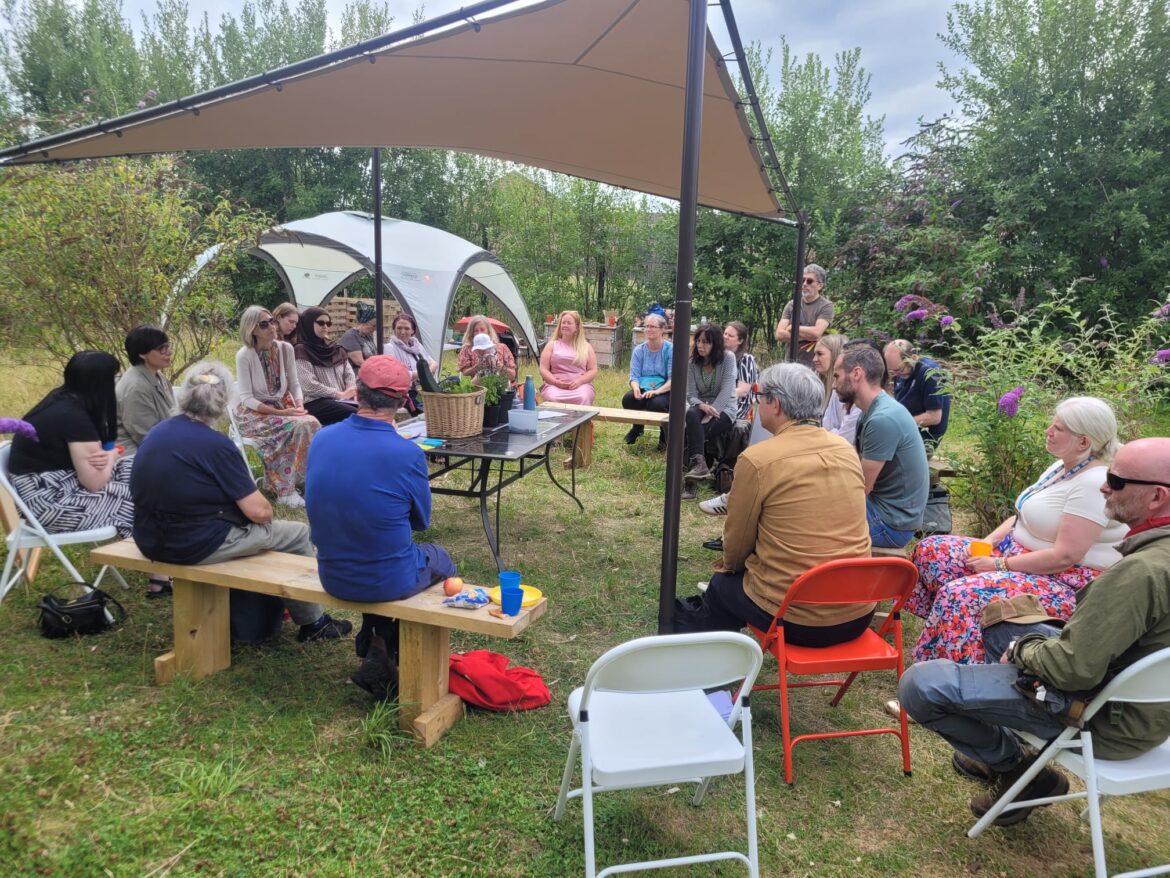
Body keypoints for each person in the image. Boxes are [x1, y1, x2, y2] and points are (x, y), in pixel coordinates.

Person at [899, 437, 1170, 826]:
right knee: (1001, 616)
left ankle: (1016, 767)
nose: (1103, 486)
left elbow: (1073, 670)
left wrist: (1024, 650)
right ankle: (1001, 743)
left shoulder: (1139, 574)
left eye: (1115, 480)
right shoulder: (1151, 561)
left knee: (921, 685)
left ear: (1157, 497)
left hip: (1103, 718)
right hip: (1146, 709)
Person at [130, 360, 351, 640]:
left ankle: (266, 610)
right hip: (192, 544)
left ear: (184, 394)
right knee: (296, 534)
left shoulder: (158, 432)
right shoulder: (215, 445)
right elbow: (260, 512)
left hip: (149, 537)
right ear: (224, 402)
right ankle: (314, 624)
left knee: (259, 535)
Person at [907, 397, 1126, 664]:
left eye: (1058, 428)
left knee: (960, 594)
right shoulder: (1062, 466)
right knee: (932, 552)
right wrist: (989, 541)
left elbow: (1064, 557)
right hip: (1017, 558)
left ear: (1083, 442)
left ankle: (962, 674)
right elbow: (1022, 515)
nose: (1048, 431)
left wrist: (998, 565)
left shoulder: (1093, 483)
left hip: (1063, 582)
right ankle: (956, 640)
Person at [674, 363, 874, 640]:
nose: (758, 402)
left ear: (776, 404)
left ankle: (717, 657)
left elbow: (736, 546)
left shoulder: (758, 460)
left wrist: (736, 567)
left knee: (722, 584)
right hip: (858, 611)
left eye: (759, 395)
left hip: (798, 619)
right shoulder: (846, 450)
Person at [305, 356, 458, 699]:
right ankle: (403, 660)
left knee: (375, 550)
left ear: (357, 393)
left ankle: (378, 645)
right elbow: (421, 522)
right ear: (403, 401)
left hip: (332, 573)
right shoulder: (406, 453)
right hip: (386, 578)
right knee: (441, 559)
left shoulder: (322, 438)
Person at [8, 351, 134, 539]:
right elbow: (94, 482)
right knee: (142, 501)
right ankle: (155, 555)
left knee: (145, 469)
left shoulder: (63, 398)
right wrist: (111, 455)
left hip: (59, 482)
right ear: (100, 383)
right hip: (49, 501)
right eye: (115, 378)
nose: (117, 384)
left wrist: (109, 455)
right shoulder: (72, 416)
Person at [834, 343, 929, 548]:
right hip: (885, 510)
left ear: (856, 374)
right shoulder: (872, 410)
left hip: (891, 525)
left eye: (837, 376)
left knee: (809, 518)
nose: (833, 385)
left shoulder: (882, 419)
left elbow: (860, 488)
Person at [235, 305, 321, 508]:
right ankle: (285, 490)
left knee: (312, 423)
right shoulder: (244, 355)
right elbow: (247, 398)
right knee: (299, 425)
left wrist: (299, 405)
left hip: (284, 406)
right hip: (255, 413)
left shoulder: (285, 349)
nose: (272, 326)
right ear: (252, 330)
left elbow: (294, 384)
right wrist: (280, 412)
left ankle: (303, 479)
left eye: (272, 321)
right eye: (264, 324)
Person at [681, 325, 739, 499]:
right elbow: (690, 394)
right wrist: (702, 406)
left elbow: (727, 390)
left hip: (725, 408)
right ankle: (699, 465)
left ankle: (691, 484)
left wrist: (712, 412)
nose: (701, 345)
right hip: (701, 405)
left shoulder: (728, 358)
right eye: (698, 341)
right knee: (691, 415)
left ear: (716, 344)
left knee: (694, 433)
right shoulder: (692, 362)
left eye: (706, 342)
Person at [116, 324, 175, 454]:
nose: (169, 352)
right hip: (135, 455)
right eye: (162, 349)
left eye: (168, 346)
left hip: (160, 447)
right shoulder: (135, 387)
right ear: (142, 354)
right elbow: (147, 436)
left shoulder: (159, 376)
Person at [293, 306, 357, 427]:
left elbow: (349, 374)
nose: (325, 326)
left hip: (342, 400)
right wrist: (339, 394)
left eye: (328, 323)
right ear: (308, 324)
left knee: (371, 410)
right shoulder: (301, 350)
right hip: (316, 402)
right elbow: (308, 385)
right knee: (355, 414)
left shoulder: (335, 349)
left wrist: (350, 390)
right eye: (321, 323)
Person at [884, 339, 951, 451]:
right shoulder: (901, 371)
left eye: (899, 370)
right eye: (892, 371)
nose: (895, 375)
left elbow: (934, 417)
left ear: (914, 358)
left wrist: (898, 423)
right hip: (905, 429)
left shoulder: (930, 373)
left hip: (924, 437)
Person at [621, 312, 671, 449]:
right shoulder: (639, 350)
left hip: (665, 389)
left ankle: (664, 435)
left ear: (662, 329)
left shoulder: (670, 350)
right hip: (644, 387)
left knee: (656, 403)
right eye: (647, 326)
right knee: (628, 399)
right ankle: (637, 428)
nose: (649, 329)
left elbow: (673, 379)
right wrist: (636, 388)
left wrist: (657, 392)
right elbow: (634, 376)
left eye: (653, 326)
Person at [774, 264, 834, 365]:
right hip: (790, 364)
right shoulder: (792, 304)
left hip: (813, 366)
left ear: (820, 285)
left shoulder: (826, 306)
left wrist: (792, 328)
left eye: (809, 281)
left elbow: (816, 333)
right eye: (802, 280)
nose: (805, 284)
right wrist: (808, 336)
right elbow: (779, 334)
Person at [539, 310, 597, 405]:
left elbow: (593, 370)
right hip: (554, 385)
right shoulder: (551, 345)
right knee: (552, 397)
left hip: (580, 386)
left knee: (583, 397)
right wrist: (555, 382)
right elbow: (543, 369)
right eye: (563, 323)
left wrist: (580, 381)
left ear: (576, 327)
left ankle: (582, 415)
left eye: (569, 323)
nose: (565, 325)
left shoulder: (586, 347)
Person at [383, 312, 438, 410]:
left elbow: (433, 363)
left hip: (423, 389)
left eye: (407, 328)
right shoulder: (389, 348)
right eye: (399, 328)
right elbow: (396, 374)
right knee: (430, 410)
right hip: (406, 393)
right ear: (394, 329)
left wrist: (427, 371)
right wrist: (423, 373)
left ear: (413, 330)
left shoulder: (416, 346)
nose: (402, 332)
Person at [812, 334, 859, 444]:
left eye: (820, 354)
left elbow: (845, 436)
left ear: (835, 356)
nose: (814, 359)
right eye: (814, 354)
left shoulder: (844, 390)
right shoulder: (816, 383)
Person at [458, 315, 517, 381]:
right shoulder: (467, 349)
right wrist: (478, 367)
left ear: (488, 331)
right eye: (476, 330)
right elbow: (465, 372)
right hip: (478, 385)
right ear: (471, 333)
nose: (479, 333)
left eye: (482, 330)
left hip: (500, 384)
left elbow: (512, 375)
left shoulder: (502, 348)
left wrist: (498, 365)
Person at [724, 321, 757, 421]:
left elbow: (743, 391)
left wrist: (720, 397)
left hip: (738, 407)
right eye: (725, 333)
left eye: (730, 336)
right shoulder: (718, 357)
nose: (725, 337)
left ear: (740, 341)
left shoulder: (746, 360)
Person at [338, 302, 378, 367]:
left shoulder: (368, 336)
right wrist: (376, 370)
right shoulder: (350, 337)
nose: (375, 329)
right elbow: (359, 362)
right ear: (364, 323)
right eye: (374, 326)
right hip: (357, 372)